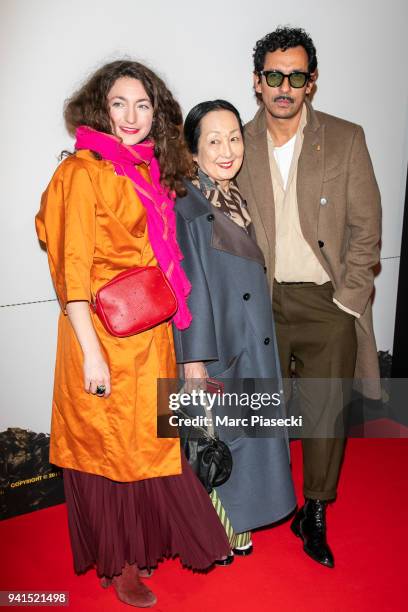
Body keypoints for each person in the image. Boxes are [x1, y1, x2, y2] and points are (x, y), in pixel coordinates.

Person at [35, 60, 230, 608]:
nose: (131, 116)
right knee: (110, 456)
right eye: (119, 103)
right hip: (100, 337)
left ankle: (142, 551)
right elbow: (71, 271)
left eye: (143, 105)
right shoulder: (81, 172)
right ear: (100, 107)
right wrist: (92, 356)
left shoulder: (147, 168)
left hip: (151, 339)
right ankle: (120, 565)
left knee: (148, 452)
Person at [237, 27, 381, 568]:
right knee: (260, 415)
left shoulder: (346, 138)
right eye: (273, 75)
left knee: (325, 415)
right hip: (262, 306)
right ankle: (257, 503)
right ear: (257, 82)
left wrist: (348, 301)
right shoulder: (235, 144)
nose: (284, 86)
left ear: (311, 82)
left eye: (296, 76)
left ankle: (315, 511)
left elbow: (368, 229)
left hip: (327, 305)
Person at [172, 100, 296, 563]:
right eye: (213, 140)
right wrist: (194, 362)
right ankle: (217, 534)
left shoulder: (234, 196)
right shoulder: (187, 204)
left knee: (242, 438)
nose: (228, 150)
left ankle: (236, 526)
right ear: (193, 149)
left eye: (234, 137)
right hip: (217, 346)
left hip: (248, 337)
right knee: (216, 443)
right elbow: (187, 288)